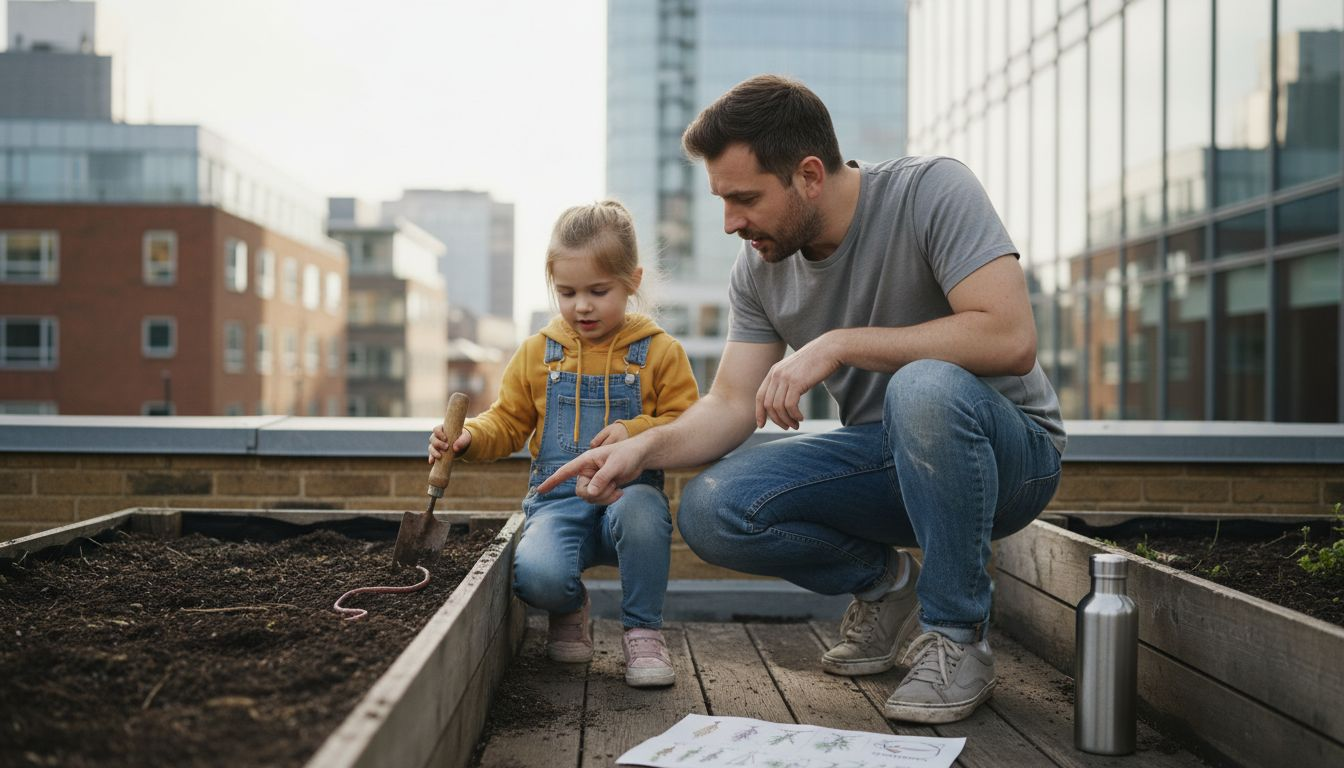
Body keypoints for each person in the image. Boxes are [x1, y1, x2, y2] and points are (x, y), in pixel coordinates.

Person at [537, 75, 1066, 722]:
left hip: (1010, 455)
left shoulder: (931, 190)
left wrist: (840, 343)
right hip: (891, 464)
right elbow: (731, 403)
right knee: (713, 507)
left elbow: (1011, 336)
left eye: (745, 199)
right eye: (722, 201)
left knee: (922, 386)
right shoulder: (759, 268)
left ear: (809, 176)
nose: (731, 223)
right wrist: (644, 447)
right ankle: (887, 584)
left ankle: (958, 637)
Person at [427, 200, 698, 688]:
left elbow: (688, 422)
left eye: (599, 290)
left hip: (627, 498)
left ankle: (643, 633)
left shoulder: (661, 352)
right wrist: (468, 438)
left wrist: (636, 431)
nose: (581, 306)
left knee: (641, 513)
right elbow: (507, 421)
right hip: (557, 503)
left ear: (632, 281)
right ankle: (569, 606)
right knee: (536, 578)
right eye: (567, 292)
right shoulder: (537, 353)